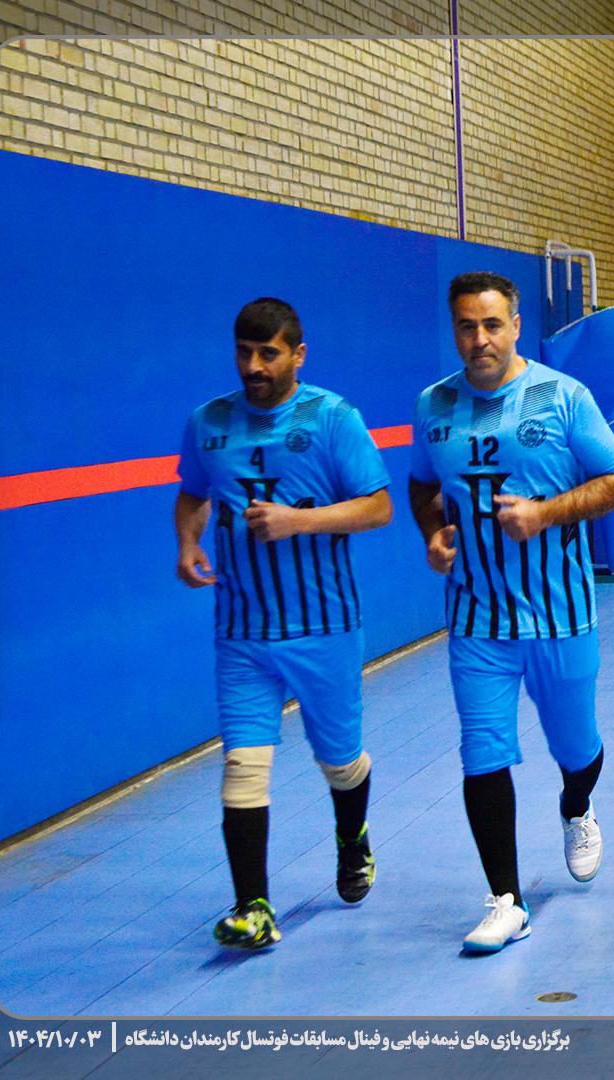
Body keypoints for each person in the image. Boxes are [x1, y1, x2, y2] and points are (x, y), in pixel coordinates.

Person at [407, 271, 614, 951]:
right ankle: (506, 901)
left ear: (514, 325)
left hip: (561, 613)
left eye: (491, 325)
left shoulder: (564, 397)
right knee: (482, 751)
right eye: (466, 327)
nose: (479, 339)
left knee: (577, 748)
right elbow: (422, 486)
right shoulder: (434, 405)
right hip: (476, 618)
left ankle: (577, 803)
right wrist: (435, 534)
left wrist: (545, 513)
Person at [174, 297, 394, 950]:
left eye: (267, 354)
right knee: (243, 765)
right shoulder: (209, 422)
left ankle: (352, 838)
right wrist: (188, 543)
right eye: (244, 353)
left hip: (325, 628)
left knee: (339, 761)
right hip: (241, 633)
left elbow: (378, 507)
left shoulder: (332, 418)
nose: (253, 366)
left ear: (297, 355)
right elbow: (193, 493)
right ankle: (254, 907)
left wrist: (298, 520)